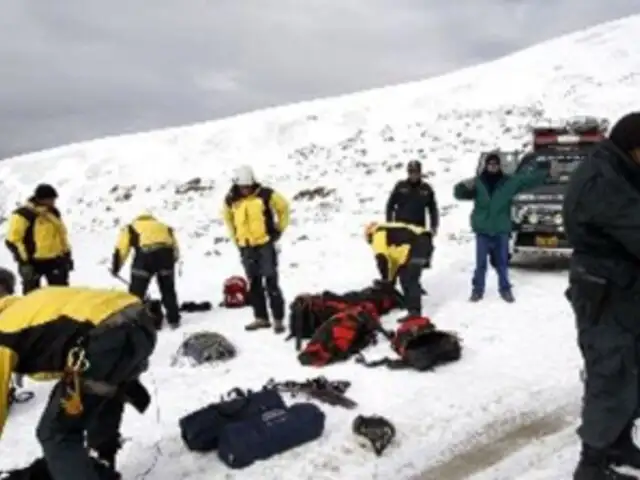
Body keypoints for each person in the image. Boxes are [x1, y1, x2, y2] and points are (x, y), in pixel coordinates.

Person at [0, 268, 159, 480]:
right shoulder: (28, 307)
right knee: (102, 394)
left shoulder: (4, 329)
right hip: (139, 320)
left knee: (56, 433)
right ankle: (102, 463)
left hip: (104, 338)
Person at [563, 112, 640, 480]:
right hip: (604, 290)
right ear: (633, 147)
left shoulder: (620, 167)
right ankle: (592, 463)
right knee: (610, 372)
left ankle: (618, 443)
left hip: (624, 287)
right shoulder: (602, 182)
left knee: (631, 368)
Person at [453, 153, 550, 303]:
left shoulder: (509, 182)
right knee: (481, 265)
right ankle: (477, 291)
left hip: (501, 229)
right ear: (486, 166)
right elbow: (459, 194)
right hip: (483, 230)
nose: (493, 167)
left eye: (495, 164)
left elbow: (529, 180)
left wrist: (546, 170)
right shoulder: (478, 183)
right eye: (490, 164)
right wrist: (463, 185)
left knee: (502, 264)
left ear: (499, 166)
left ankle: (505, 290)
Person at [222, 165, 290, 333]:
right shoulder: (231, 200)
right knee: (254, 284)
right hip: (246, 247)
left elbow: (284, 208)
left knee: (271, 281)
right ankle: (261, 318)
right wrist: (236, 240)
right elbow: (228, 220)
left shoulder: (266, 194)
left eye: (248, 186)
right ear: (237, 185)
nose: (246, 190)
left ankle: (278, 319)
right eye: (243, 187)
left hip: (265, 244)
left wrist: (279, 229)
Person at [110, 211, 181, 329]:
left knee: (136, 293)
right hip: (166, 256)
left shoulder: (131, 227)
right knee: (168, 290)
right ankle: (174, 320)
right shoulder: (164, 227)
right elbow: (175, 249)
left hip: (145, 258)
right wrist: (170, 264)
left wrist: (115, 268)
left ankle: (133, 322)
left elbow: (121, 249)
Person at [4, 184, 73, 294]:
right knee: (32, 297)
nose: (53, 202)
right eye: (51, 199)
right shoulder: (24, 214)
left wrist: (67, 255)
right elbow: (13, 240)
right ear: (42, 199)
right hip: (33, 262)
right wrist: (24, 262)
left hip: (55, 260)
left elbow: (61, 235)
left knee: (61, 294)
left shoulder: (53, 213)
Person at [386, 160, 439, 293]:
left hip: (419, 230)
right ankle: (393, 284)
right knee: (399, 258)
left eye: (416, 172)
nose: (413, 175)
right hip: (401, 229)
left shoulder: (426, 189)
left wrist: (434, 225)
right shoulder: (400, 186)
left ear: (420, 173)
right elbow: (390, 205)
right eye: (411, 172)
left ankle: (415, 283)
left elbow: (433, 209)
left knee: (418, 258)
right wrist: (389, 223)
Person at [364, 221, 433, 317]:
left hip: (417, 244)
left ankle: (415, 313)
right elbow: (392, 266)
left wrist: (384, 279)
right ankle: (411, 305)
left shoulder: (378, 232)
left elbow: (381, 258)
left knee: (408, 279)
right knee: (406, 275)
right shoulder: (392, 236)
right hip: (424, 242)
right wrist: (389, 281)